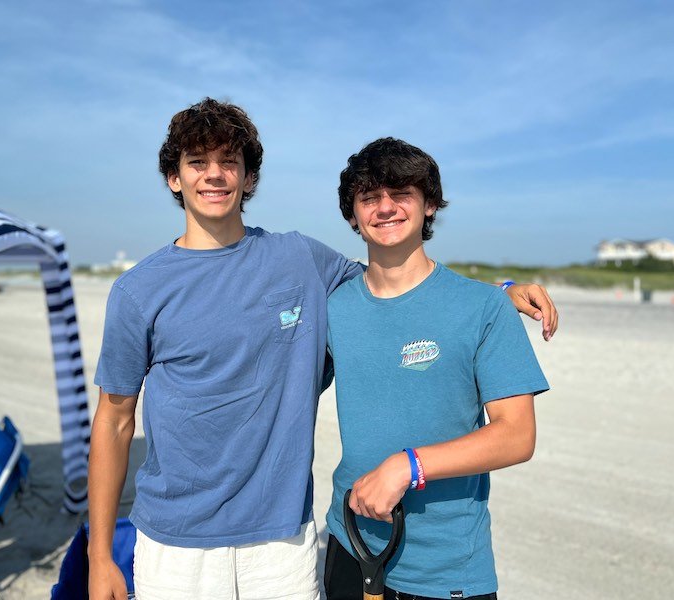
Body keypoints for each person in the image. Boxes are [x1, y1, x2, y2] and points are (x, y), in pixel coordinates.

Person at [88, 99, 557, 600]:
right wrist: (100, 557)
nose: (215, 176)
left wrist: (496, 293)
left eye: (230, 163)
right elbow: (115, 419)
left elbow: (404, 284)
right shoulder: (138, 291)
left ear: (249, 180)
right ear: (173, 178)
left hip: (283, 542)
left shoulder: (299, 259)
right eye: (197, 163)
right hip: (177, 545)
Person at [323, 137, 550, 600]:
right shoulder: (334, 306)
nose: (385, 207)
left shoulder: (484, 307)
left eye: (401, 194)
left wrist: (408, 467)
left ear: (429, 205)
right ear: (352, 215)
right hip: (350, 542)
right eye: (369, 197)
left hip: (445, 570)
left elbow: (516, 435)